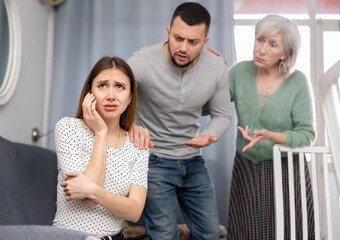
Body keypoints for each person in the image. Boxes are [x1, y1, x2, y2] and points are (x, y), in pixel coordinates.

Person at [127, 2, 231, 239]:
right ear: (168, 32)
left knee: (210, 234)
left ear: (205, 42)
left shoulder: (216, 67)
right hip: (154, 161)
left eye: (193, 42)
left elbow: (223, 115)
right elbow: (116, 92)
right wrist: (129, 125)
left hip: (193, 161)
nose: (183, 47)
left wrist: (210, 134)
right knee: (164, 235)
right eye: (178, 38)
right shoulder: (142, 62)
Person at [213, 15, 315, 239]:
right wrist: (212, 75)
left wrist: (273, 136)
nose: (261, 49)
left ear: (285, 53)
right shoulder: (240, 73)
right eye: (260, 40)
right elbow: (206, 108)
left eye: (272, 44)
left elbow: (307, 135)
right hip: (247, 168)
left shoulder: (297, 81)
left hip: (287, 170)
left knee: (289, 232)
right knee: (245, 232)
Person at [52, 56, 149, 240]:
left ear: (130, 97)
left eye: (120, 86)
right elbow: (85, 199)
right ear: (90, 92)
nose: (111, 95)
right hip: (70, 236)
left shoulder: (138, 145)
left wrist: (95, 191)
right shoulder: (68, 128)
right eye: (102, 85)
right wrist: (101, 133)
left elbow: (135, 211)